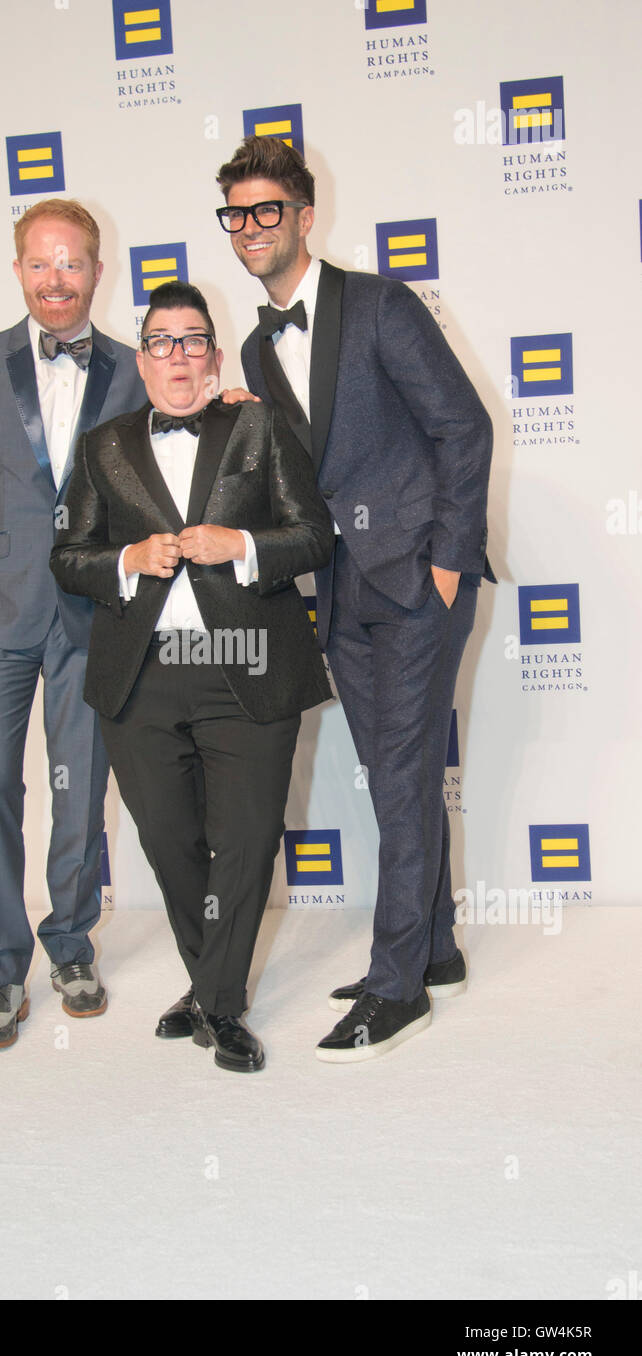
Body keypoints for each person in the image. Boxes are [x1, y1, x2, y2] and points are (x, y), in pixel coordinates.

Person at [215, 137, 495, 1062]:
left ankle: (395, 986)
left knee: (406, 772)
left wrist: (447, 560)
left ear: (302, 215)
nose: (251, 228)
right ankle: (436, 948)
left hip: (415, 577)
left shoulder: (378, 304)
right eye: (236, 215)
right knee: (395, 776)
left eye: (266, 211)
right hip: (339, 588)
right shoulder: (258, 343)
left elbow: (463, 427)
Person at [49, 281, 333, 1073]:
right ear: (142, 360)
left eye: (193, 339)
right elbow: (67, 559)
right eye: (161, 341)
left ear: (213, 351)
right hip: (142, 676)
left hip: (244, 665)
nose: (178, 354)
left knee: (243, 840)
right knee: (172, 843)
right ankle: (213, 985)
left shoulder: (259, 424)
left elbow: (314, 538)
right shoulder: (103, 446)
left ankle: (219, 1002)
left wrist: (240, 546)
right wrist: (127, 562)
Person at [0, 198, 148, 1051]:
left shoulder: (130, 369)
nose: (58, 280)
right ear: (19, 270)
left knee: (81, 791)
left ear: (98, 270)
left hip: (94, 614)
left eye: (74, 263)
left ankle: (72, 944)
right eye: (42, 264)